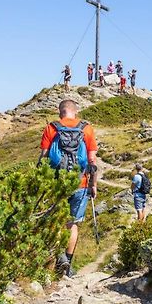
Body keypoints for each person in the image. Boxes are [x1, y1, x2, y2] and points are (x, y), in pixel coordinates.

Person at [37, 99, 98, 278]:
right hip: (80, 183)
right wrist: (93, 185)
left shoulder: (51, 128)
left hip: (56, 184)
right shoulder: (86, 128)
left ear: (60, 112)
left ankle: (56, 260)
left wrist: (41, 182)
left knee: (56, 222)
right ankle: (67, 266)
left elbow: (43, 158)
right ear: (75, 112)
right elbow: (93, 161)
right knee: (72, 225)